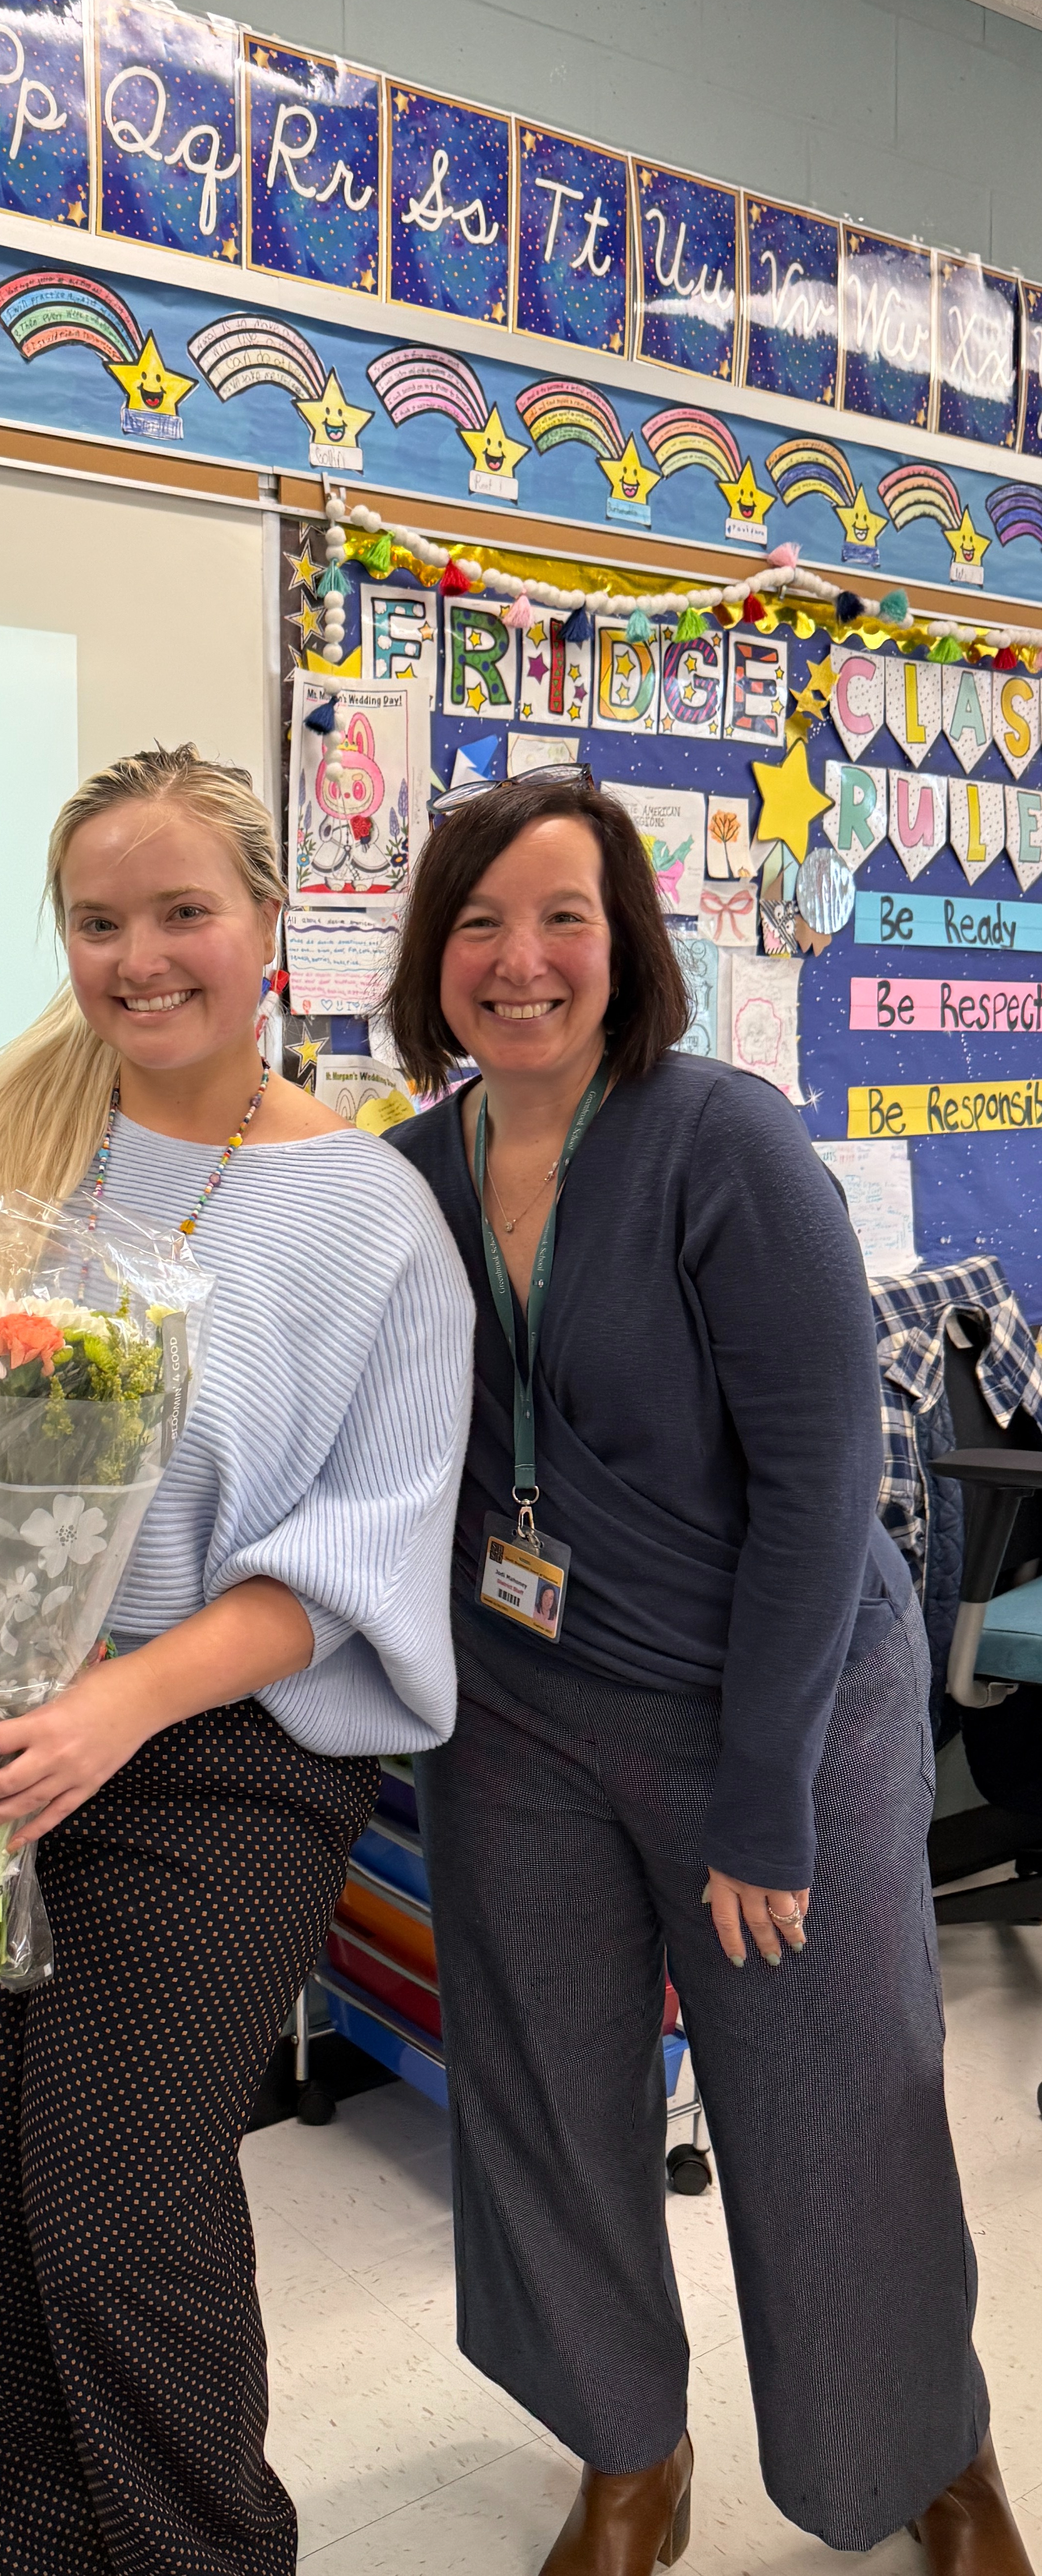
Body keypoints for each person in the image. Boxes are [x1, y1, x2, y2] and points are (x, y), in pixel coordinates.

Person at [0, 743, 473, 2576]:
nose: (142, 956)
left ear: (269, 923)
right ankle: (36, 2545)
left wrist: (114, 1699)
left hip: (211, 1764)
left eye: (185, 913)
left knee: (115, 2214)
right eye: (101, 922)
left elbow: (358, 1549)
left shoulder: (377, 1222)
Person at [386, 769, 1030, 2576]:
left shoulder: (719, 1137)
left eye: (563, 919)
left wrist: (764, 1792)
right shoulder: (406, 1174)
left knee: (840, 2110)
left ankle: (930, 2456)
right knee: (545, 2098)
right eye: (481, 922)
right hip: (516, 1719)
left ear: (627, 945)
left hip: (776, 1709)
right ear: (432, 954)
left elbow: (832, 1483)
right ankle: (625, 2452)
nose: (520, 960)